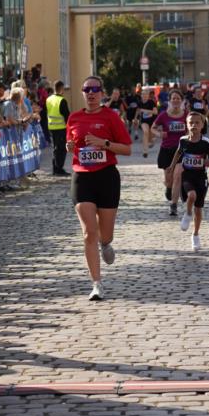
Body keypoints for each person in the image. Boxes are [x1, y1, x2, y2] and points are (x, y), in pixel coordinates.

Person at [66, 76, 132, 301]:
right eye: (87, 90)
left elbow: (126, 149)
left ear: (101, 93)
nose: (91, 94)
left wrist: (103, 143)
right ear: (82, 92)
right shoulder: (74, 117)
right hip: (82, 177)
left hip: (107, 177)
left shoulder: (111, 117)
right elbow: (71, 145)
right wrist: (70, 146)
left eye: (95, 90)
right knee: (88, 232)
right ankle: (96, 284)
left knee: (105, 232)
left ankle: (106, 243)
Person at [167, 112, 209, 252]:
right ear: (187, 125)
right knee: (191, 196)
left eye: (197, 123)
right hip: (187, 176)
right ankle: (188, 214)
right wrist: (171, 167)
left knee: (199, 209)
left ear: (202, 125)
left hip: (201, 177)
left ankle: (195, 235)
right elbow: (178, 153)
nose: (194, 125)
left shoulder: (205, 142)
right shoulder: (183, 140)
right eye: (191, 123)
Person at [151, 88, 188, 215]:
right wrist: (160, 134)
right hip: (167, 149)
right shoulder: (164, 115)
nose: (176, 100)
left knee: (178, 176)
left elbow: (192, 128)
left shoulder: (186, 114)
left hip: (181, 150)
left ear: (182, 100)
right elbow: (153, 128)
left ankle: (173, 205)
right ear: (170, 101)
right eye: (174, 99)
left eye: (178, 98)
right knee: (169, 179)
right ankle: (168, 187)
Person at [45, 80, 70, 176]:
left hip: (51, 127)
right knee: (61, 149)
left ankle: (55, 168)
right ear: (62, 88)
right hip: (60, 127)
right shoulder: (61, 100)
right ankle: (59, 168)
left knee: (55, 148)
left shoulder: (49, 99)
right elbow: (67, 115)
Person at [137, 88, 158, 157]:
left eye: (146, 94)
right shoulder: (140, 103)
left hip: (152, 121)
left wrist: (146, 111)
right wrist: (135, 119)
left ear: (148, 96)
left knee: (151, 138)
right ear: (141, 96)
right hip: (144, 121)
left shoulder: (151, 102)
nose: (144, 96)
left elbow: (155, 112)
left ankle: (151, 141)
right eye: (143, 94)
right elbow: (138, 111)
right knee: (145, 132)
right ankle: (145, 151)